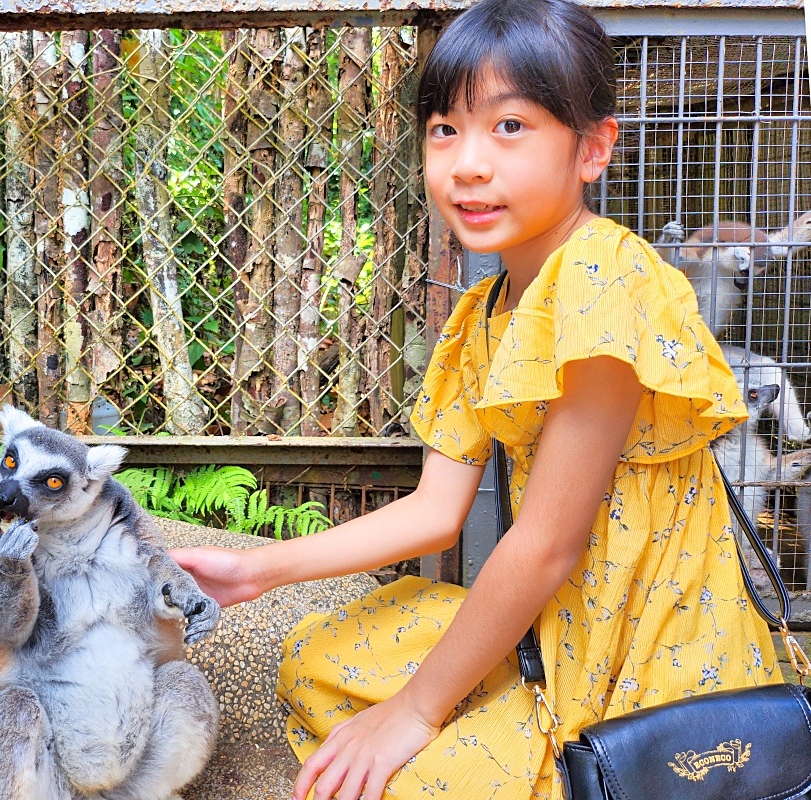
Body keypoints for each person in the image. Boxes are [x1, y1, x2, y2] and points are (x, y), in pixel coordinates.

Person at [171, 0, 782, 797]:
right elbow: (434, 510)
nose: (467, 164)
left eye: (511, 128)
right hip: (544, 636)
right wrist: (253, 573)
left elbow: (545, 546)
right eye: (445, 131)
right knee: (317, 659)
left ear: (594, 147)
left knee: (406, 770)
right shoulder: (484, 313)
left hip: (648, 663)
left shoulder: (608, 277)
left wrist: (417, 712)